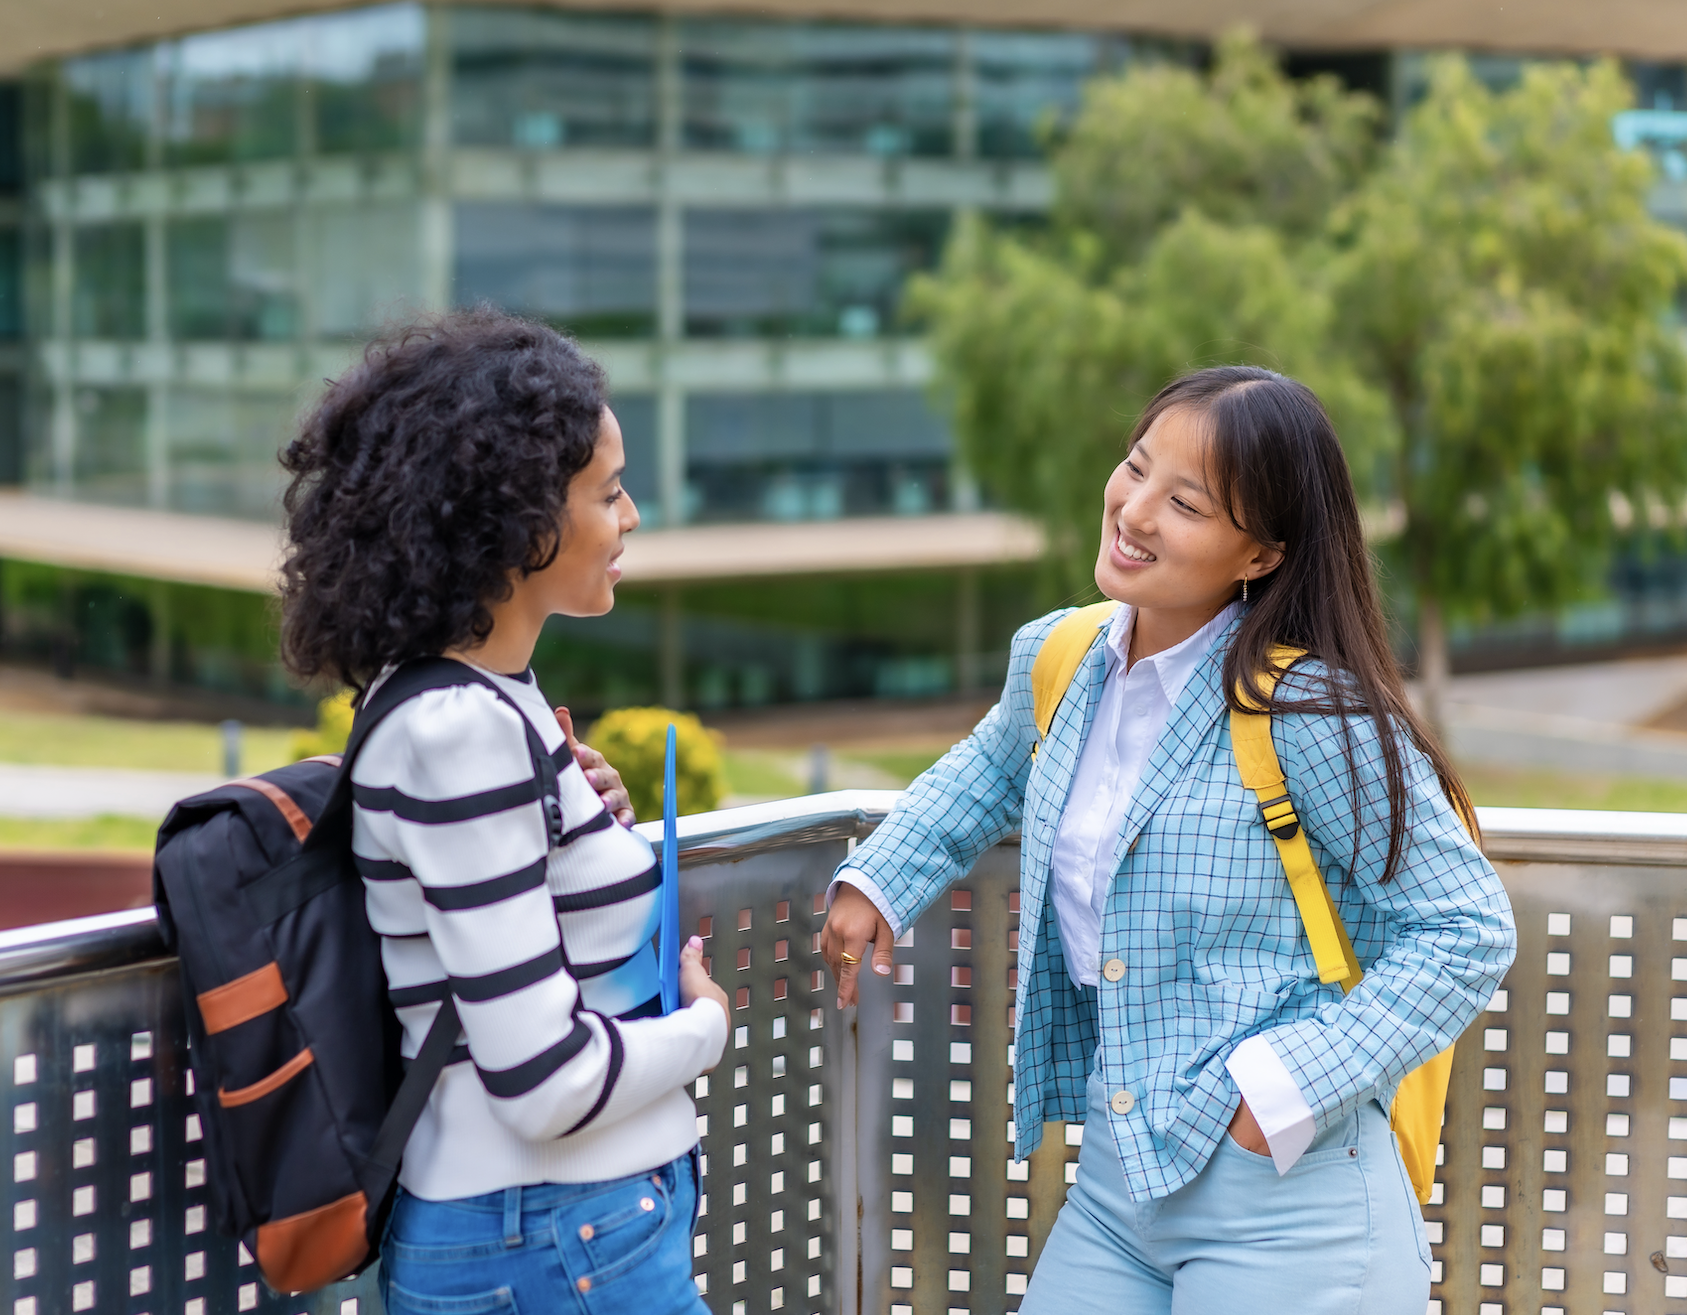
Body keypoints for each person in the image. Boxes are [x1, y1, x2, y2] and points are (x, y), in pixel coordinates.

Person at [821, 366, 1515, 1311]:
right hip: (1117, 1184)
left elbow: (1466, 928)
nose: (1135, 511)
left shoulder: (1310, 711)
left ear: (1261, 555)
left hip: (1287, 1197)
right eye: (1136, 468)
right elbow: (987, 772)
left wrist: (1276, 1095)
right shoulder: (1062, 657)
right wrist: (876, 883)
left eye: (1184, 502)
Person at [278, 308, 729, 1315]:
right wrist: (705, 1026)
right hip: (543, 1233)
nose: (632, 518)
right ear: (518, 522)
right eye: (609, 493)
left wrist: (581, 812)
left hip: (563, 1228)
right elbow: (544, 1075)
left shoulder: (484, 699)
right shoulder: (458, 729)